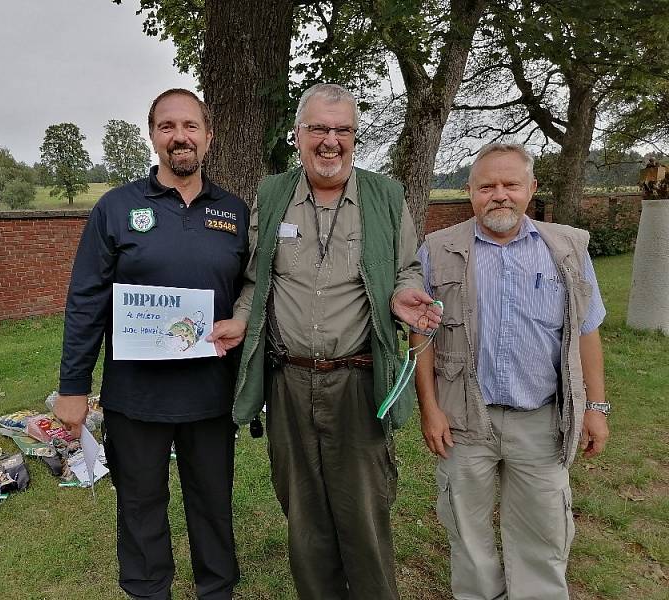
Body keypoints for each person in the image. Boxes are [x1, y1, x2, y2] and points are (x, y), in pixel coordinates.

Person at [209, 83, 442, 599]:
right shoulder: (272, 195)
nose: (330, 141)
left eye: (342, 130)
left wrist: (404, 294)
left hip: (358, 382)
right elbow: (256, 278)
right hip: (288, 382)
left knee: (364, 513)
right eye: (319, 128)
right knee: (304, 517)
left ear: (355, 138)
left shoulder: (386, 195)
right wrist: (242, 319)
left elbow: (405, 268)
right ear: (298, 135)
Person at [55, 89, 248, 600]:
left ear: (208, 135)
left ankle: (217, 590)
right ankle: (147, 591)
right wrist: (72, 387)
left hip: (209, 395)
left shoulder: (235, 212)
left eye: (190, 126)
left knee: (212, 505)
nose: (179, 137)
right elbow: (85, 302)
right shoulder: (117, 208)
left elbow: (253, 293)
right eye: (167, 127)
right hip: (135, 398)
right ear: (153, 135)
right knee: (139, 507)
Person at [411, 143, 610, 600]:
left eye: (510, 184)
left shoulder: (567, 249)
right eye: (487, 186)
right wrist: (430, 410)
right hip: (463, 422)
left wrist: (597, 408)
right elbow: (421, 338)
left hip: (540, 422)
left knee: (543, 538)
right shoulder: (438, 250)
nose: (499, 195)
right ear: (470, 192)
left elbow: (587, 331)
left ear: (531, 189)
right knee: (468, 535)